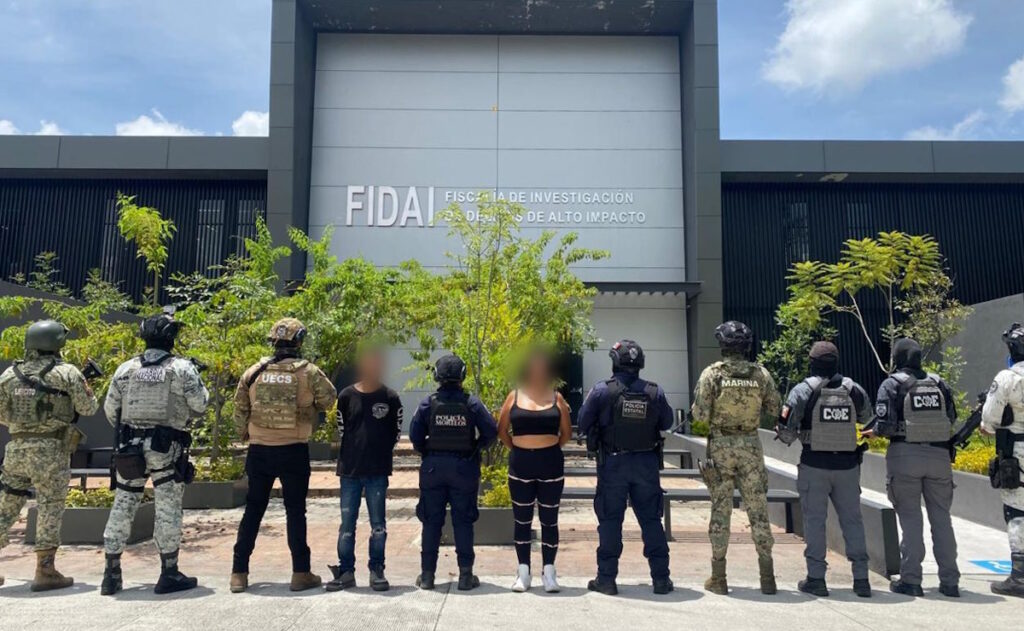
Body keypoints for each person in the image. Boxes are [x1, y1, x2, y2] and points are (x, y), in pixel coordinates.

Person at [101, 312, 208, 595]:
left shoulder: (125, 369)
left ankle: (111, 573)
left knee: (123, 504)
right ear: (171, 338)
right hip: (165, 449)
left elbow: (111, 410)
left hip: (130, 449)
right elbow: (200, 404)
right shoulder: (182, 368)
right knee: (167, 509)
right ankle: (169, 572)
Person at [230, 318, 337, 593]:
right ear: (299, 341)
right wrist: (308, 407)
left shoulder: (254, 371)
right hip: (293, 450)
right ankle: (300, 572)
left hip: (259, 451)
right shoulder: (308, 372)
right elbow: (329, 399)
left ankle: (238, 572)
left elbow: (239, 408)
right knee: (295, 511)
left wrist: (246, 434)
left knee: (253, 509)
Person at [0, 320, 98, 591]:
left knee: (6, 504)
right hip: (51, 451)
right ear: (57, 343)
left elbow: (2, 414)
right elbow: (88, 408)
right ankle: (45, 570)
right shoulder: (66, 372)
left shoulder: (9, 374)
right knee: (49, 506)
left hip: (16, 449)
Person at [864, 337, 960, 597]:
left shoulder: (892, 384)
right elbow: (951, 417)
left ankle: (911, 580)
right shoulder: (939, 383)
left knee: (910, 519)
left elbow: (885, 424)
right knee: (942, 519)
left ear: (898, 359)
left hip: (905, 456)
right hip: (940, 456)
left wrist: (873, 432)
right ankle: (950, 581)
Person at [578, 339, 675, 596]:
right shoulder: (655, 392)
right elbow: (667, 422)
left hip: (613, 465)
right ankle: (661, 579)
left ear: (614, 362)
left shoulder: (602, 391)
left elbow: (583, 421)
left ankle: (606, 580)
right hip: (646, 465)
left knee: (610, 521)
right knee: (651, 521)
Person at [691, 321, 780, 596]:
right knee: (758, 509)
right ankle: (767, 577)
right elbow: (774, 408)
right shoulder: (760, 374)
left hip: (721, 446)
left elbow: (700, 415)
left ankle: (719, 578)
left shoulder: (713, 374)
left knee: (721, 510)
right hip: (751, 445)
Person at [777, 341, 872, 598]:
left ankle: (816, 579)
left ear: (812, 363)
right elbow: (868, 418)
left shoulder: (803, 390)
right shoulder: (853, 389)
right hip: (848, 466)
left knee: (815, 522)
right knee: (853, 521)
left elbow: (786, 433)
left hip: (814, 465)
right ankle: (862, 579)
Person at [409, 354, 497, 591]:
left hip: (433, 468)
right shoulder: (472, 404)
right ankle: (465, 576)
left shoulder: (427, 404)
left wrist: (430, 452)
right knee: (463, 522)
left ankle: (427, 576)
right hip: (463, 468)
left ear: (436, 376)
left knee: (431, 522)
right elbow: (491, 431)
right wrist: (475, 448)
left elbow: (415, 436)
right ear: (463, 376)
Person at [326, 345, 403, 592]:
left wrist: (379, 452)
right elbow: (342, 429)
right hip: (350, 471)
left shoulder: (391, 398)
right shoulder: (346, 396)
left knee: (378, 526)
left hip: (377, 472)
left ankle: (376, 569)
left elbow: (395, 432)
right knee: (347, 526)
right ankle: (346, 571)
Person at [497, 348, 572, 593]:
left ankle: (549, 572)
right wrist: (520, 448)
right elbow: (502, 430)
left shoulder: (557, 398)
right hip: (521, 464)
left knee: (549, 520)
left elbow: (566, 433)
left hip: (550, 464)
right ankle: (523, 572)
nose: (538, 372)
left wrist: (546, 447)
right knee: (522, 519)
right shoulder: (514, 396)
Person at [980, 323, 1024, 598]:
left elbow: (989, 420)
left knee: (1017, 512)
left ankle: (1019, 576)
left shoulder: (1007, 378)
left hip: (1017, 453)